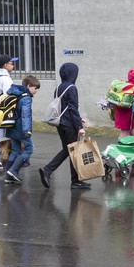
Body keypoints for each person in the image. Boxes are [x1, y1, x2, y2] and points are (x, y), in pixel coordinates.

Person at [39, 62, 91, 190]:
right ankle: (50, 170)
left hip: (60, 123)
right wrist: (79, 127)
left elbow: (64, 107)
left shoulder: (59, 87)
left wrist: (78, 119)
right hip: (69, 125)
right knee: (72, 150)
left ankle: (73, 179)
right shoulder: (72, 88)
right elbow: (73, 108)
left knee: (69, 150)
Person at [4, 75, 40, 184]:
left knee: (15, 150)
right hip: (21, 128)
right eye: (35, 88)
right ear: (29, 86)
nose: (36, 91)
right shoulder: (26, 98)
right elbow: (26, 115)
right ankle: (13, 171)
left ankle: (8, 175)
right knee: (29, 149)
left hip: (11, 126)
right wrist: (27, 130)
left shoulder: (16, 93)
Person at [114, 68, 134, 137]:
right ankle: (122, 145)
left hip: (120, 112)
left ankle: (133, 141)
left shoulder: (125, 85)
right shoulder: (133, 89)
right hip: (127, 114)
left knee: (131, 128)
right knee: (125, 131)